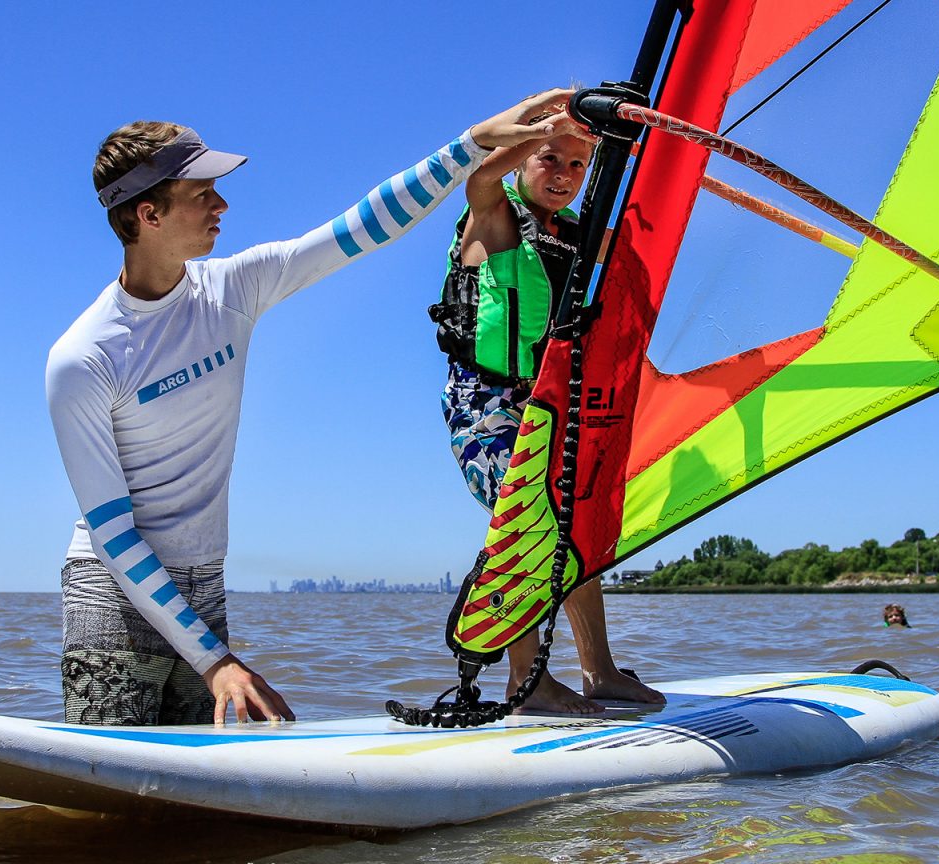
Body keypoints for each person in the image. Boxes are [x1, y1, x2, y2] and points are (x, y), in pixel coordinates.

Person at [46, 90, 582, 727]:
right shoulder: (84, 356)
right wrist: (216, 661)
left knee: (189, 777)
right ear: (148, 214)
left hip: (201, 583)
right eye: (202, 193)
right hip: (113, 596)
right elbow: (111, 531)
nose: (222, 204)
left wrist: (472, 143)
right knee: (106, 781)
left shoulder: (231, 289)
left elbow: (362, 228)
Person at [430, 125, 663, 715]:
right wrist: (547, 122)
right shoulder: (493, 213)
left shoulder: (577, 234)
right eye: (549, 159)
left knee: (575, 523)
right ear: (521, 160)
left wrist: (629, 150)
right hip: (485, 402)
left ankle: (598, 670)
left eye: (578, 165)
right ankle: (525, 682)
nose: (563, 175)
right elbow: (481, 174)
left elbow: (638, 249)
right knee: (528, 521)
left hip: (549, 399)